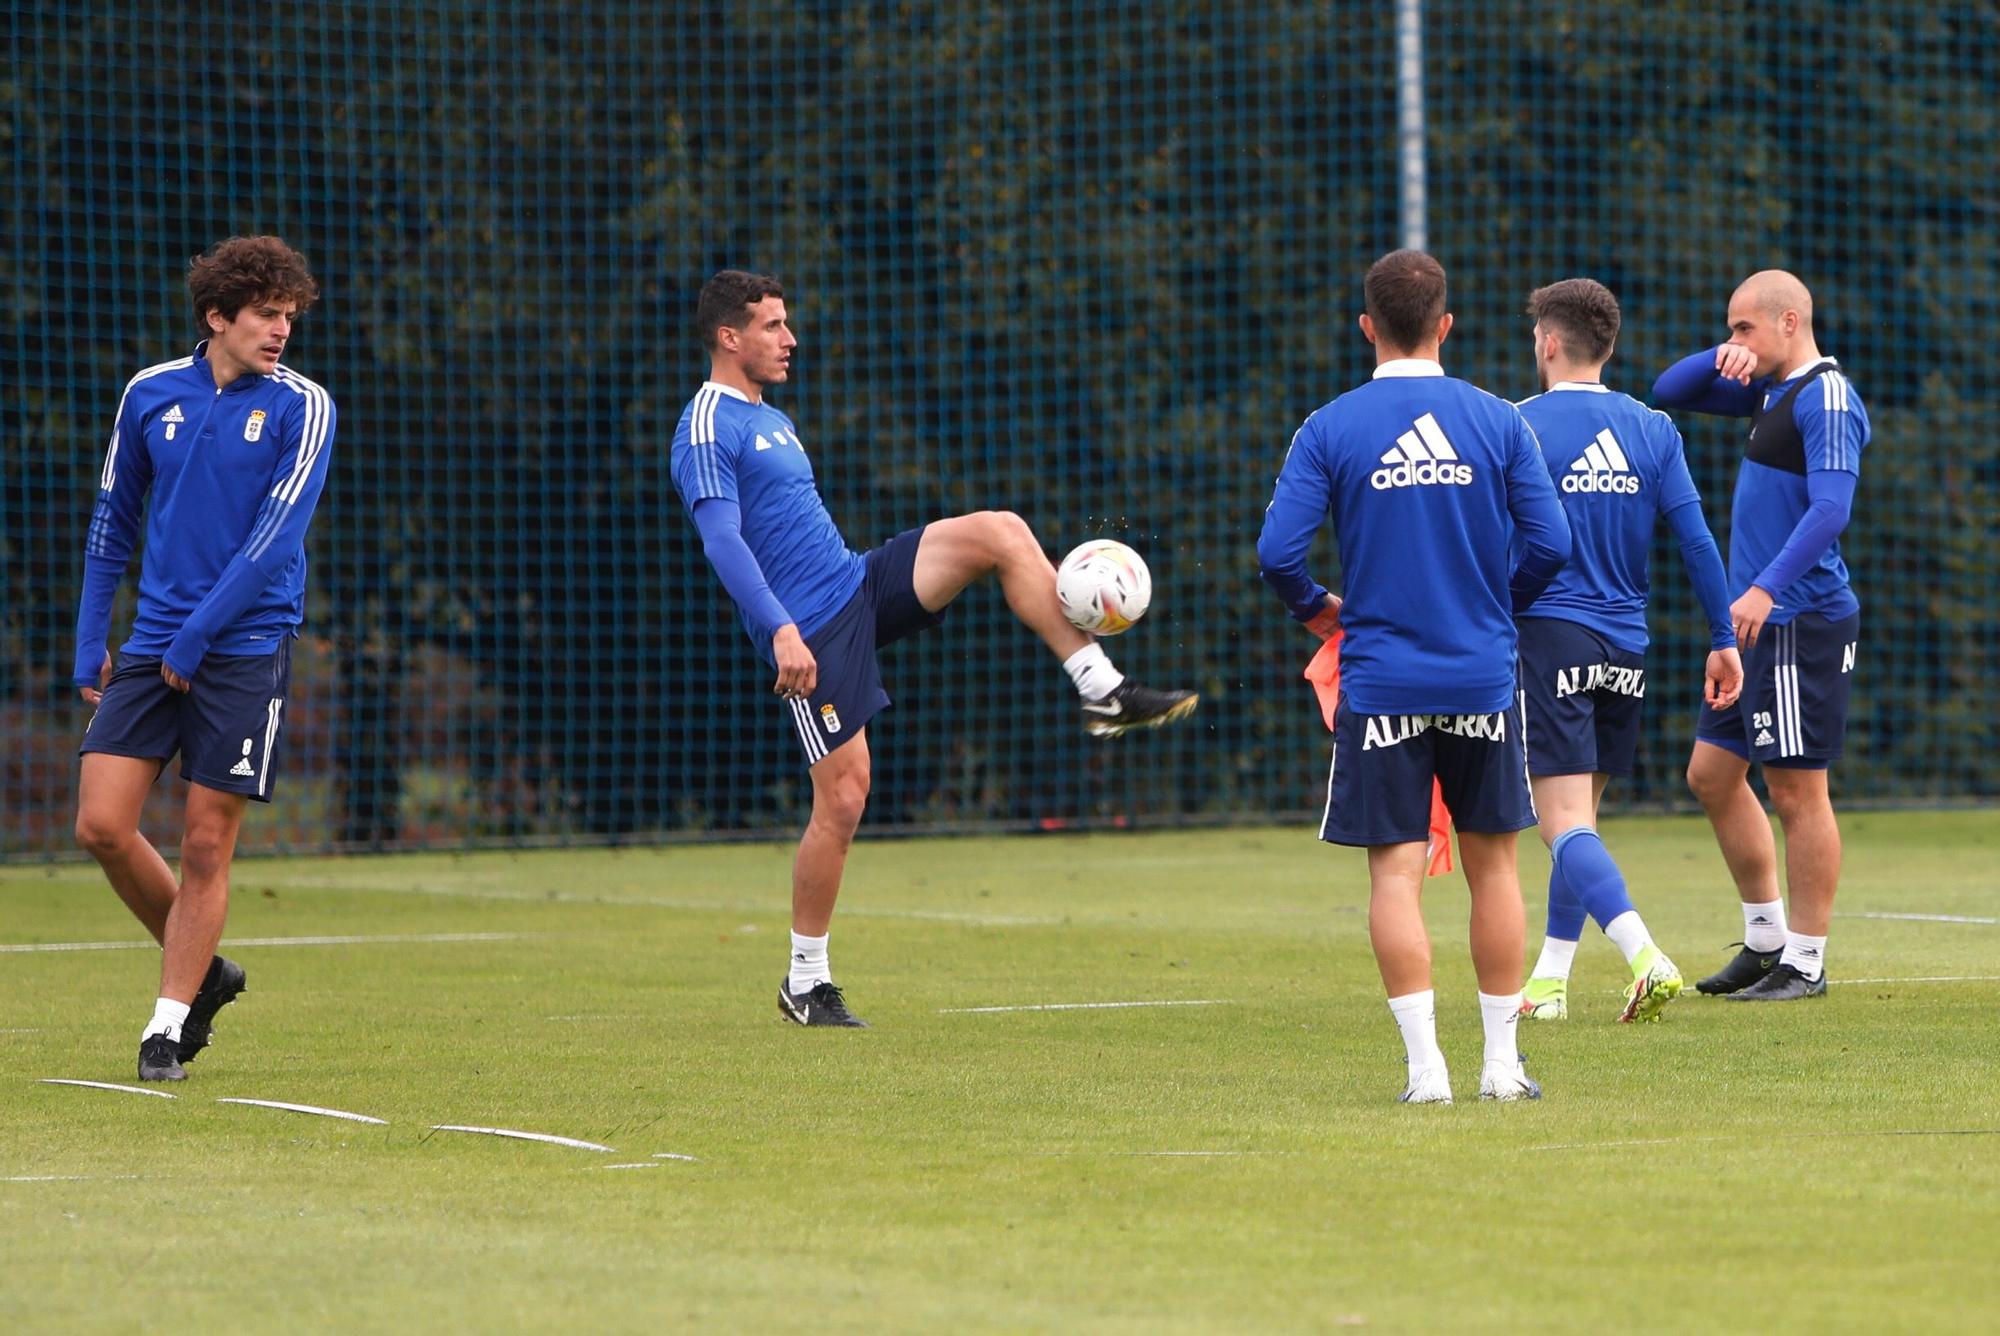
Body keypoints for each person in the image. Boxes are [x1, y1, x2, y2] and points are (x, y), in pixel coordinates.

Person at [669, 270, 1198, 1028]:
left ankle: (1100, 685)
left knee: (1001, 532)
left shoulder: (770, 417)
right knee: (846, 795)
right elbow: (722, 540)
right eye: (773, 326)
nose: (790, 339)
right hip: (810, 629)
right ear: (729, 337)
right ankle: (806, 983)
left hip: (855, 583)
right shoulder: (706, 425)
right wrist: (781, 628)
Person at [1256, 249, 1571, 1104]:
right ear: (1446, 326)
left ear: (1367, 327)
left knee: (1394, 873)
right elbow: (1551, 545)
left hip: (1382, 681)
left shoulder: (1330, 425)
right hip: (1479, 675)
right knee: (1495, 869)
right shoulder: (1500, 420)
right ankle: (1502, 1070)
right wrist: (1495, 604)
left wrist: (1323, 609)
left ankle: (1425, 1073)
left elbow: (1278, 554)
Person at [72, 236, 334, 1081]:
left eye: (288, 316)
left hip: (246, 645)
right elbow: (113, 519)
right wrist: (89, 638)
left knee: (205, 847)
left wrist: (199, 635)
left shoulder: (305, 405)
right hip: (154, 643)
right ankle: (208, 970)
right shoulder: (151, 393)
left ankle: (166, 1025)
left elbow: (275, 538)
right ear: (217, 316)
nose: (279, 330)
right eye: (264, 314)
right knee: (103, 826)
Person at [1510, 278, 1743, 1025]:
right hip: (1626, 648)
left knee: (1562, 824)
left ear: (1547, 342)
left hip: (1550, 636)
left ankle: (1645, 954)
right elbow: (1700, 544)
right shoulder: (1652, 428)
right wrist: (1722, 639)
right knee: (1582, 823)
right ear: (1607, 346)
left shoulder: (1516, 426)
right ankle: (1548, 983)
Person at [1652, 270, 1869, 1002]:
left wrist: (1765, 586)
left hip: (1796, 619)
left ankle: (1804, 963)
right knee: (1711, 777)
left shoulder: (1827, 395)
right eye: (1731, 328)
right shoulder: (1766, 388)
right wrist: (1722, 356)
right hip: (1755, 623)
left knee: (1798, 791)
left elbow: (1830, 510)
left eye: (1745, 328)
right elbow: (1669, 390)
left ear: (1788, 321)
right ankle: (1766, 942)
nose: (1736, 340)